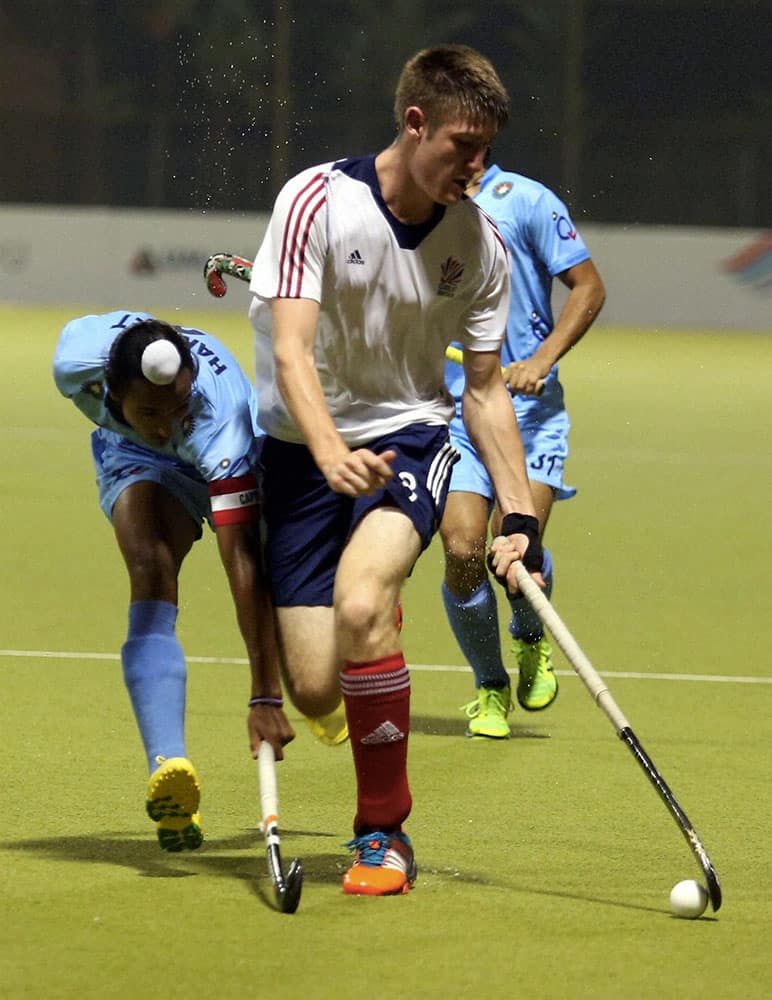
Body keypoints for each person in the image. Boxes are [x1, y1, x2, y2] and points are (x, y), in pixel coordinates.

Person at [247, 44, 544, 897]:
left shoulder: (479, 243)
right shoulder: (314, 202)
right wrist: (331, 450)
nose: (478, 166)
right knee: (310, 689)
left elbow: (483, 391)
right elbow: (294, 354)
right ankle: (366, 664)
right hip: (303, 456)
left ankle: (383, 836)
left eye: (488, 148)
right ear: (415, 123)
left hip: (409, 438)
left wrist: (517, 515)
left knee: (362, 602)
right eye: (462, 145)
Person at [53, 312, 295, 852]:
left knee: (287, 600)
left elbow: (243, 566)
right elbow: (148, 425)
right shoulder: (76, 362)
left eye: (176, 408)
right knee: (149, 565)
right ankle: (169, 767)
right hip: (132, 455)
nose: (164, 424)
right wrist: (144, 430)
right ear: (110, 389)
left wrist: (265, 694)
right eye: (149, 411)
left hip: (227, 462)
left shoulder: (219, 426)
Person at [440, 163, 606, 738]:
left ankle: (531, 637)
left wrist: (542, 360)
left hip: (531, 419)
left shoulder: (528, 200)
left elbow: (590, 286)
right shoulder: (418, 206)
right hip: (457, 416)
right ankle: (490, 684)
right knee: (464, 549)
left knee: (517, 556)